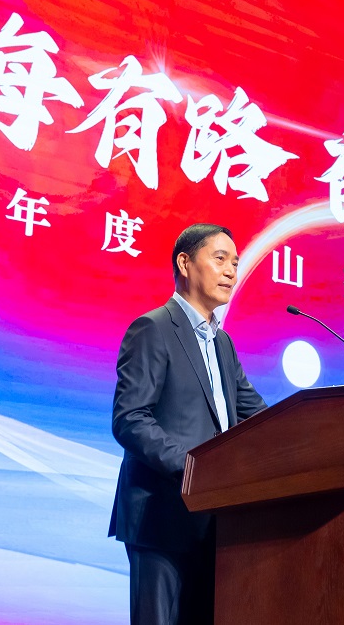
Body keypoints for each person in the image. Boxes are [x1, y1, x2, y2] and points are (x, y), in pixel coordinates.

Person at [109, 223, 267, 625]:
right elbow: (130, 419)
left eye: (235, 263)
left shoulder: (223, 343)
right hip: (162, 516)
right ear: (184, 263)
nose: (231, 271)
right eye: (220, 259)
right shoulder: (153, 328)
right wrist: (196, 468)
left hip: (215, 522)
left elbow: (258, 417)